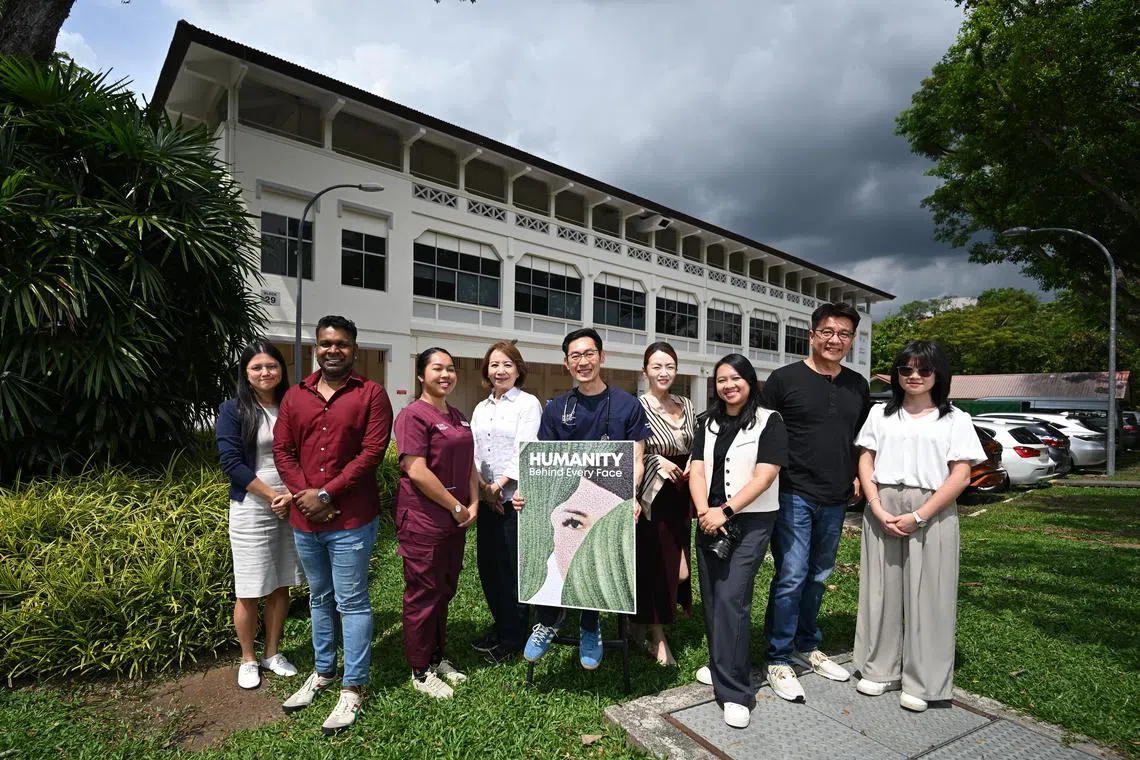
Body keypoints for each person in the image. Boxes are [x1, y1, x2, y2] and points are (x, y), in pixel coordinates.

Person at [273, 315, 394, 735]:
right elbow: (283, 451)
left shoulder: (372, 394)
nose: (333, 350)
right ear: (316, 348)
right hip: (306, 522)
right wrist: (305, 496)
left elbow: (372, 453)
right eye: (326, 343)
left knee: (352, 601)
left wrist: (325, 495)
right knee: (320, 597)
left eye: (341, 343)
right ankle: (323, 671)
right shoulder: (295, 396)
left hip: (352, 520)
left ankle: (353, 685)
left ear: (354, 350)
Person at [853, 341, 984, 712]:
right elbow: (866, 459)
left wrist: (921, 515)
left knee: (931, 594)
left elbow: (961, 475)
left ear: (938, 375)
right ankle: (879, 669)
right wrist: (875, 505)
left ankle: (924, 681)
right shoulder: (880, 414)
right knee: (880, 590)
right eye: (906, 369)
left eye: (924, 369)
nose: (914, 376)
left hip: (933, 509)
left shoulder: (956, 419)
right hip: (882, 505)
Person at [513, 327, 652, 671]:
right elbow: (542, 462)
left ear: (602, 357)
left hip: (607, 498)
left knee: (592, 546)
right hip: (567, 495)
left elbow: (636, 458)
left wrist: (631, 495)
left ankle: (591, 625)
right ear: (566, 363)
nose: (583, 361)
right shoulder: (557, 408)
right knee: (553, 536)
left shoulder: (628, 406)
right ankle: (548, 620)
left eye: (589, 353)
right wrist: (527, 492)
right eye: (575, 356)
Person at [762, 302, 871, 702]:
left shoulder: (857, 385)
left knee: (819, 575)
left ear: (852, 340)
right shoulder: (784, 380)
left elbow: (861, 439)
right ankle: (777, 656)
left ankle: (807, 644)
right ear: (811, 335)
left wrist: (857, 474)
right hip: (793, 492)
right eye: (827, 332)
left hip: (836, 496)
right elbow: (761, 432)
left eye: (843, 334)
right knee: (792, 574)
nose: (834, 340)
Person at [690, 353, 787, 729]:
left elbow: (765, 476)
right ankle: (721, 665)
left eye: (735, 378)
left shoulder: (769, 421)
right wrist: (705, 511)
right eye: (721, 380)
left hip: (750, 521)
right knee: (714, 597)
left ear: (750, 381)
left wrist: (725, 512)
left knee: (733, 598)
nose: (728, 385)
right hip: (708, 518)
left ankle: (735, 692)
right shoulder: (707, 422)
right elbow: (697, 469)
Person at [215, 341, 304, 690]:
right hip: (252, 504)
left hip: (290, 501)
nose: (265, 372)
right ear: (246, 373)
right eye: (257, 367)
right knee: (250, 587)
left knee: (281, 582)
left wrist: (292, 496)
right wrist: (272, 496)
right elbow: (231, 463)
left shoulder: (292, 405)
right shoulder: (233, 409)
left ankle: (272, 653)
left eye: (271, 365)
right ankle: (248, 658)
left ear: (281, 369)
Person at [393, 347, 479, 699]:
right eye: (437, 368)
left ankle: (437, 657)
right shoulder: (413, 416)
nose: (446, 375)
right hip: (424, 520)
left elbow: (470, 462)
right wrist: (456, 505)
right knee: (423, 593)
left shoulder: (457, 415)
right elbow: (416, 469)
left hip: (454, 519)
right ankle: (420, 669)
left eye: (451, 368)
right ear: (421, 375)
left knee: (444, 590)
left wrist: (474, 502)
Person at [469, 341, 543, 664]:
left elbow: (525, 448)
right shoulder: (480, 408)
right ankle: (500, 626)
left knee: (512, 570)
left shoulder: (528, 404)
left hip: (514, 501)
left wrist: (499, 486)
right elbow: (473, 451)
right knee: (489, 568)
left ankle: (514, 637)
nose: (500, 370)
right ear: (487, 370)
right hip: (488, 499)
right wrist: (484, 489)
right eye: (494, 364)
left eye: (507, 364)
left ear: (518, 369)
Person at [632, 342, 695, 667]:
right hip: (652, 497)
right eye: (656, 366)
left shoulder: (686, 404)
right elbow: (632, 453)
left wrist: (693, 463)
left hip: (681, 496)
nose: (663, 372)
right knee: (657, 567)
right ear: (645, 371)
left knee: (681, 572)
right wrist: (658, 461)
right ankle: (657, 637)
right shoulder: (636, 408)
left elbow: (696, 445)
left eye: (669, 366)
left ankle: (637, 625)